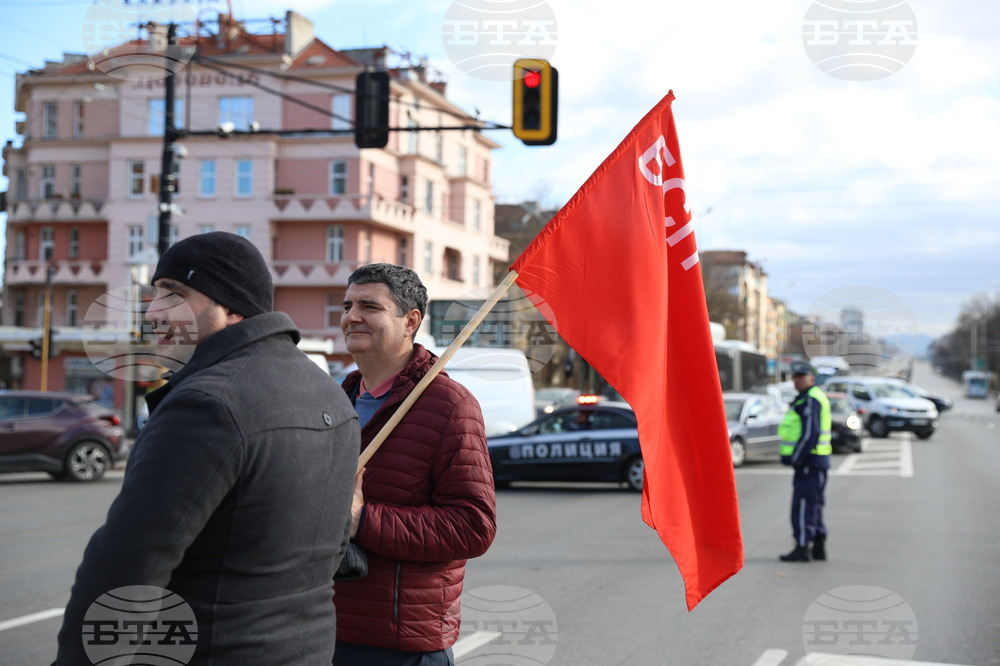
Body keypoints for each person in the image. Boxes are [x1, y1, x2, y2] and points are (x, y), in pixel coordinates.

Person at [55, 232, 359, 665]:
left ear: (233, 308)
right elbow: (327, 550)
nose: (152, 312)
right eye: (154, 294)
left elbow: (128, 566)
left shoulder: (207, 403)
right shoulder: (329, 394)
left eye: (175, 294)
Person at [334, 263, 497, 666]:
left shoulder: (450, 405)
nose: (352, 316)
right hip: (321, 629)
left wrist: (362, 520)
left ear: (410, 322)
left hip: (400, 644)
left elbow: (473, 526)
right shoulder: (334, 399)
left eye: (369, 306)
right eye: (347, 305)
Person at [778, 361, 832, 562]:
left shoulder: (810, 399)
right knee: (814, 504)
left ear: (812, 378)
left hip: (810, 461)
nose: (797, 380)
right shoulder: (811, 397)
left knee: (802, 505)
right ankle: (818, 545)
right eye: (795, 376)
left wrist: (796, 458)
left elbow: (810, 433)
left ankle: (802, 546)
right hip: (816, 461)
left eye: (801, 376)